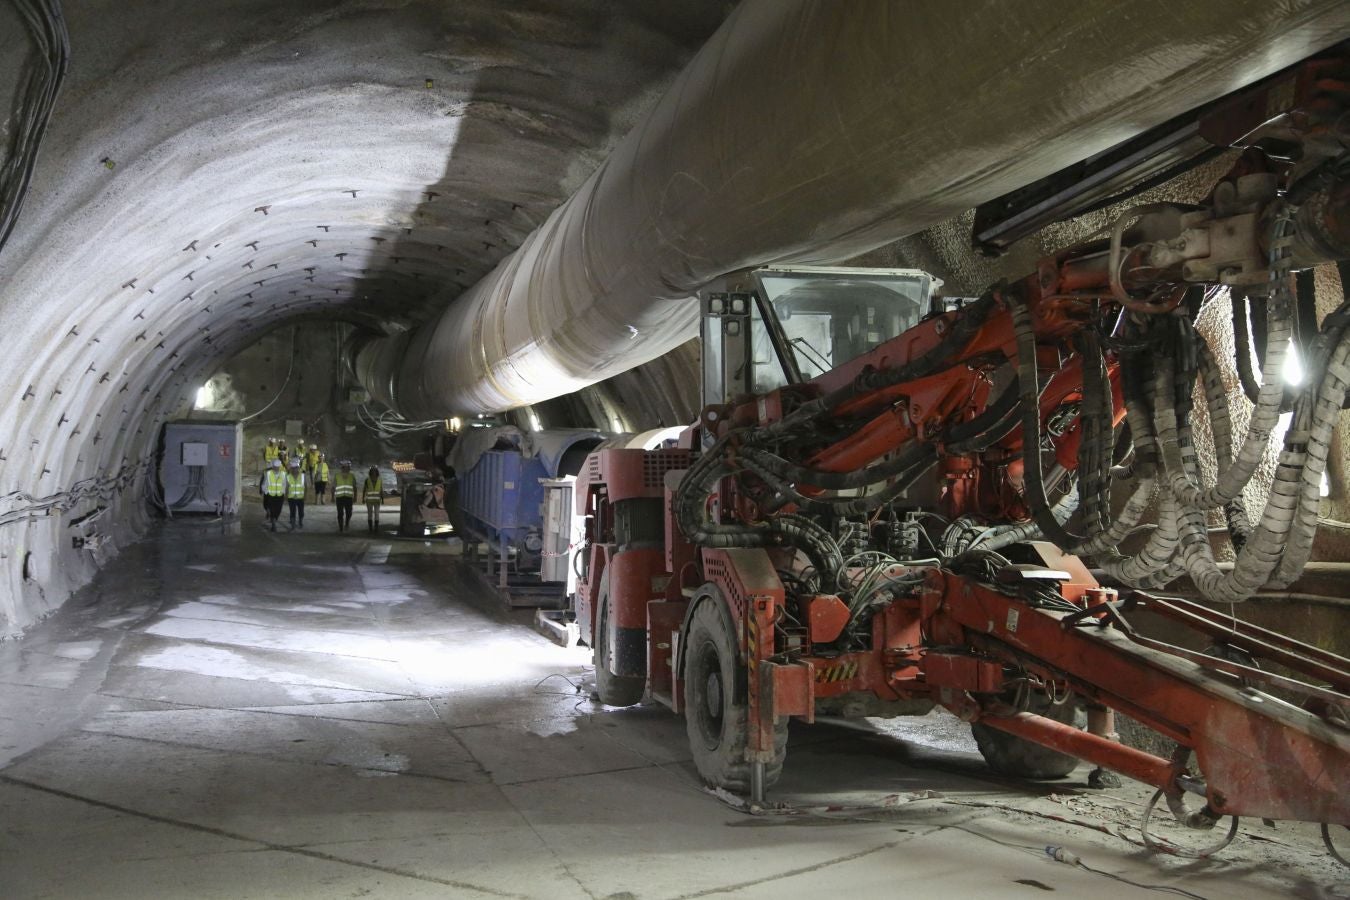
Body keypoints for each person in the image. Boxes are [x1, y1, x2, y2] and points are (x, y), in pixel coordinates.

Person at [260, 457, 285, 531]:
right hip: (270, 495)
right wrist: (264, 491)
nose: (276, 468)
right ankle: (273, 523)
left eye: (278, 467)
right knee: (270, 508)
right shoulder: (268, 473)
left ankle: (272, 517)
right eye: (275, 467)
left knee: (278, 509)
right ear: (273, 466)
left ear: (279, 467)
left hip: (280, 495)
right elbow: (264, 482)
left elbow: (284, 484)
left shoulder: (283, 474)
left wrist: (284, 492)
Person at [332, 460, 356, 532]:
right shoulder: (337, 475)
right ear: (343, 467)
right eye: (346, 467)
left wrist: (355, 497)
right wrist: (332, 497)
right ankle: (341, 527)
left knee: (349, 512)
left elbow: (355, 487)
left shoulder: (352, 476)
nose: (348, 468)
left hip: (348, 497)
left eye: (348, 467)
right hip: (339, 497)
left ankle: (347, 522)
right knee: (340, 513)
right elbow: (333, 487)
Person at [285, 458, 307, 530]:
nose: (295, 470)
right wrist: (286, 496)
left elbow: (305, 486)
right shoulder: (288, 476)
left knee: (301, 512)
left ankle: (300, 521)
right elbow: (287, 487)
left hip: (300, 497)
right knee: (292, 511)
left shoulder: (303, 476)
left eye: (296, 468)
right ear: (291, 469)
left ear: (298, 468)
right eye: (293, 468)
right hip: (291, 498)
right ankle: (293, 524)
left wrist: (305, 496)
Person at [363, 465, 383, 533]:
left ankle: (376, 528)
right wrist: (363, 498)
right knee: (370, 514)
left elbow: (381, 490)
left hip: (377, 500)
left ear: (377, 472)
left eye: (375, 471)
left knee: (377, 514)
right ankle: (370, 528)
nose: (374, 472)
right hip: (369, 500)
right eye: (372, 471)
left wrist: (382, 499)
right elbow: (364, 489)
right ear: (371, 472)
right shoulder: (367, 480)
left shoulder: (380, 480)